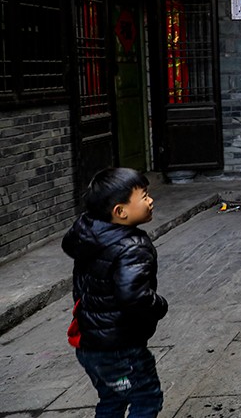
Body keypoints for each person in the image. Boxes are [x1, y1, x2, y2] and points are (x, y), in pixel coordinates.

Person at [62, 167, 168, 418]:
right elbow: (134, 296)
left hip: (90, 344)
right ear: (120, 212)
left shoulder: (88, 236)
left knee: (111, 400)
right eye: (144, 197)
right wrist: (159, 305)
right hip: (119, 348)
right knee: (146, 397)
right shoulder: (132, 247)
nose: (151, 200)